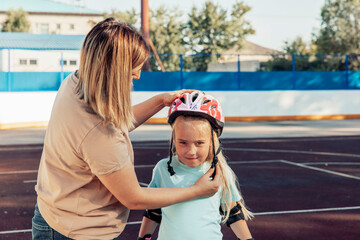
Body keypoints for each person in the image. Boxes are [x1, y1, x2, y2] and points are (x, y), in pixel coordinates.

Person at [32, 18, 220, 240]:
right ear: (113, 71)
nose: (138, 75)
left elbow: (113, 120)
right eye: (133, 70)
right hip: (78, 231)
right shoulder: (100, 134)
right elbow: (134, 197)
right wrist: (197, 191)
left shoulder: (74, 83)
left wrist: (160, 101)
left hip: (54, 213)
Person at [138, 91, 254, 240]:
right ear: (174, 138)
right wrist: (142, 238)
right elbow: (153, 211)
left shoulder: (219, 172)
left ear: (212, 140)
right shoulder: (162, 169)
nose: (191, 151)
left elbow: (234, 213)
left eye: (199, 143)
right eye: (183, 142)